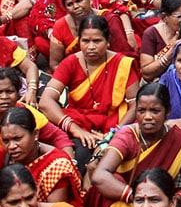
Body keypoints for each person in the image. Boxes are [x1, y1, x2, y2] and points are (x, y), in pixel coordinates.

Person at [86, 83, 181, 207]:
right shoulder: (127, 136)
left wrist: (177, 198)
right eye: (141, 111)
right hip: (120, 199)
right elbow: (99, 176)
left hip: (159, 203)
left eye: (155, 111)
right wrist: (139, 199)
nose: (147, 117)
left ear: (168, 112)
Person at [40, 14, 139, 162]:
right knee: (79, 155)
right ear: (79, 41)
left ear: (108, 42)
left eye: (97, 41)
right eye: (85, 41)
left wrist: (114, 133)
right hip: (80, 124)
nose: (91, 46)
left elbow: (135, 104)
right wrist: (75, 129)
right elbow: (45, 101)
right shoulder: (70, 63)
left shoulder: (122, 64)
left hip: (116, 124)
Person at [0, 106, 81, 207]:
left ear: (35, 134)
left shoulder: (57, 165)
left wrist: (11, 205)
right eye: (6, 141)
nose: (12, 146)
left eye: (17, 139)